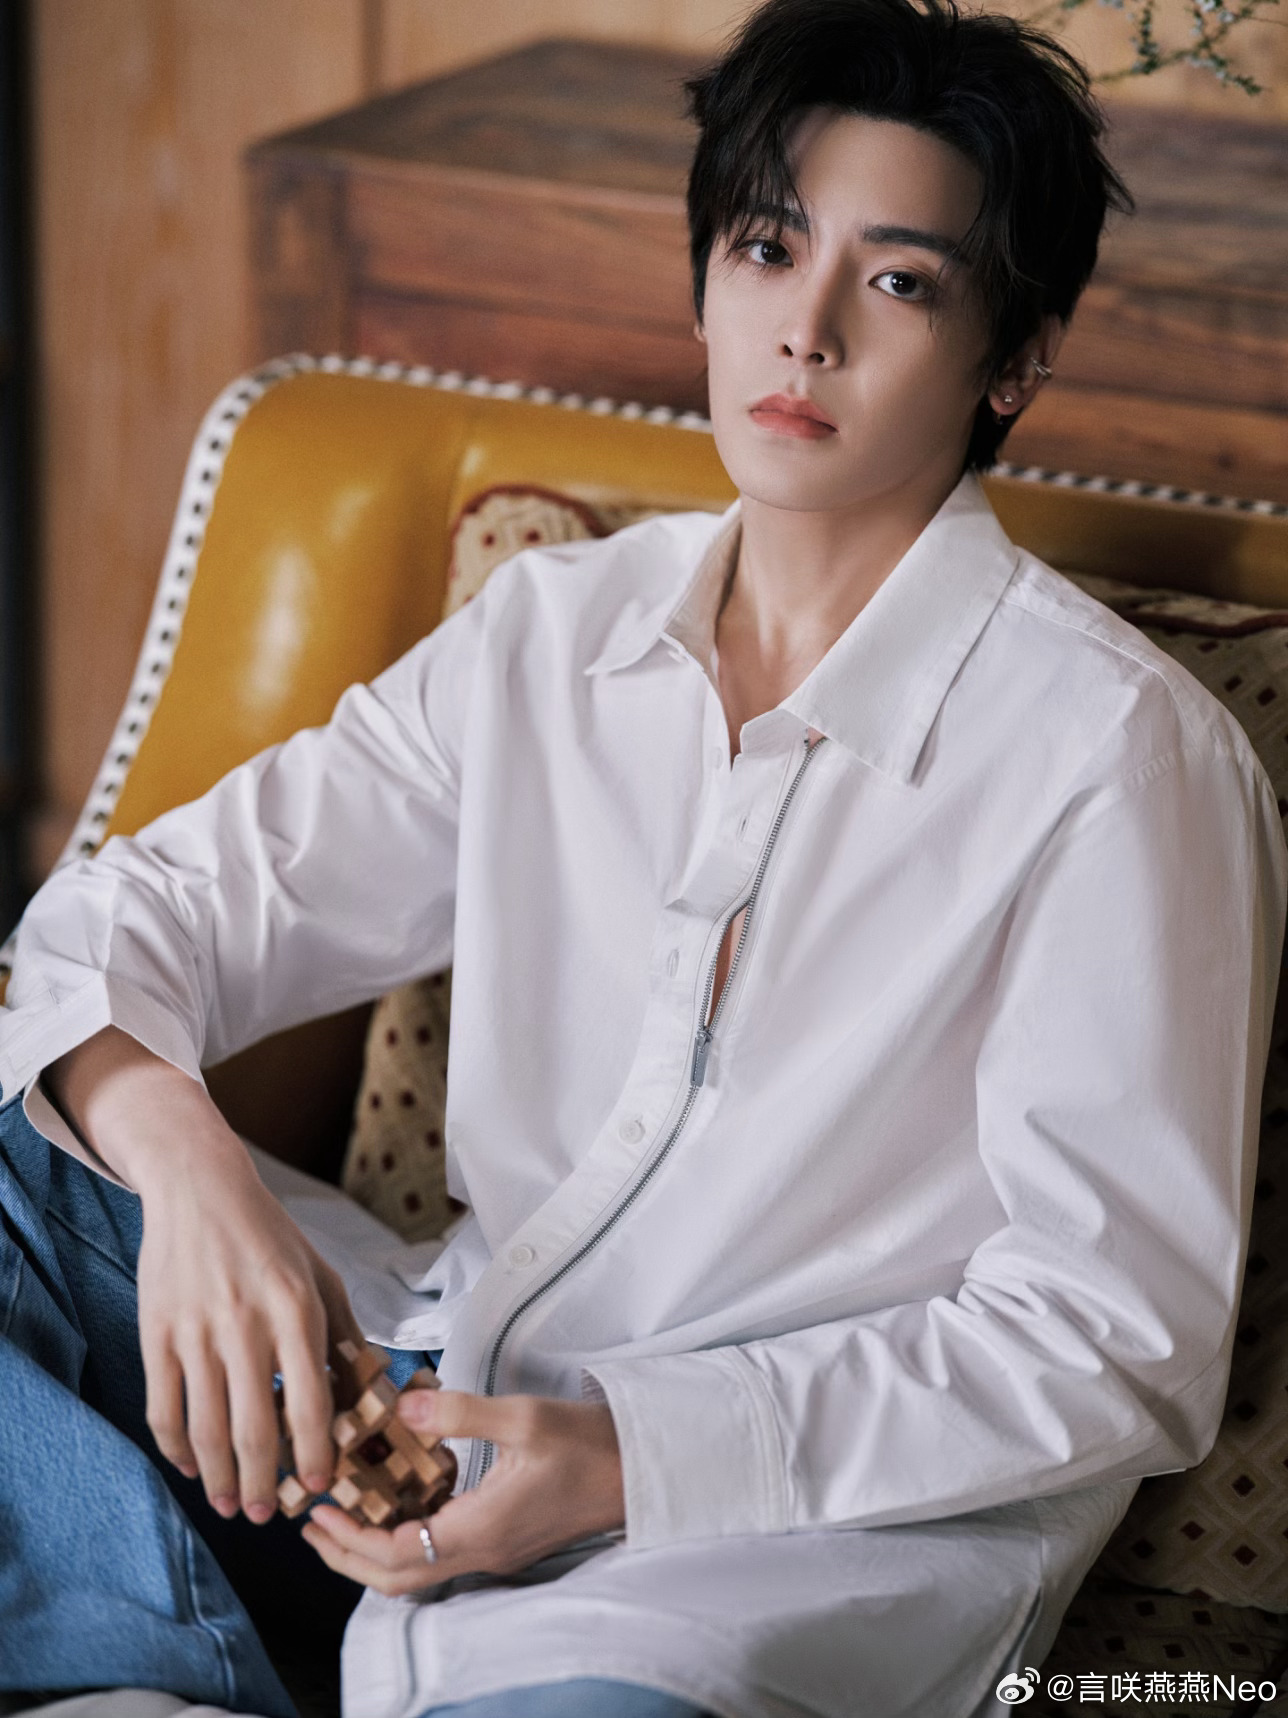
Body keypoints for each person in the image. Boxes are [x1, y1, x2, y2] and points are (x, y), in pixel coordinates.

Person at [1, 0, 1284, 1713]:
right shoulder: (553, 631)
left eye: (901, 281)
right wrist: (191, 1178)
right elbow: (131, 915)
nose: (807, 328)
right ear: (703, 284)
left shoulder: (1121, 759)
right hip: (407, 1413)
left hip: (753, 1564)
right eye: (767, 248)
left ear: (1015, 361)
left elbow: (1113, 1337)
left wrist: (626, 1457)